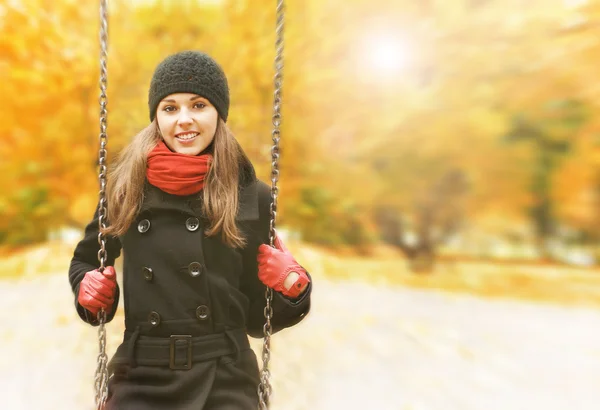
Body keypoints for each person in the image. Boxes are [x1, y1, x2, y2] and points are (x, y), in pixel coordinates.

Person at [68, 50, 312, 409]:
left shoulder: (249, 194)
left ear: (218, 113)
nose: (184, 120)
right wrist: (88, 291)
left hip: (224, 376)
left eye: (198, 105)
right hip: (141, 374)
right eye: (170, 108)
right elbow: (85, 262)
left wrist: (293, 287)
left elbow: (257, 319)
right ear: (156, 117)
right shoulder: (125, 188)